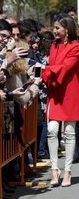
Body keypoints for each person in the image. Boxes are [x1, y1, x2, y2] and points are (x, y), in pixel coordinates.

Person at [41, 14, 79, 187]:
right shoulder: (53, 46)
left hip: (71, 93)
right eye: (54, 28)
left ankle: (68, 171)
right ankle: (54, 170)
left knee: (70, 133)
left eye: (57, 28)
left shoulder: (76, 46)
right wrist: (48, 71)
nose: (54, 31)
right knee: (52, 129)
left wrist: (46, 70)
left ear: (67, 29)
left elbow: (65, 67)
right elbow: (55, 68)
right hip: (55, 91)